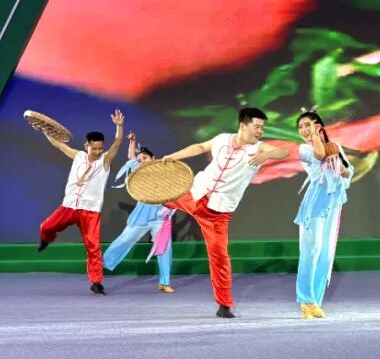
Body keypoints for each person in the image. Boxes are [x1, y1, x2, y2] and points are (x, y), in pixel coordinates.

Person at [162, 107, 289, 318]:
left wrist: (266, 155)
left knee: (219, 257)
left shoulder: (258, 148)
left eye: (262, 128)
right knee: (160, 196)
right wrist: (174, 156)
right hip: (195, 194)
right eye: (257, 126)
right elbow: (201, 146)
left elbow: (284, 152)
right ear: (243, 125)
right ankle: (155, 210)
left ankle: (224, 305)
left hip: (217, 213)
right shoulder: (222, 139)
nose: (260, 131)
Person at [37, 110, 125, 296]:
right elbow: (59, 144)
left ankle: (96, 282)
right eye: (94, 148)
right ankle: (46, 239)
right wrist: (45, 130)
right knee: (46, 227)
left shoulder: (105, 161)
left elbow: (117, 143)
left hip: (90, 211)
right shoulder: (78, 156)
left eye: (100, 148)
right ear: (86, 146)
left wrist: (119, 126)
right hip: (69, 206)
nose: (98, 151)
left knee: (93, 246)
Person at [293, 109, 353, 319]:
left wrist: (342, 168)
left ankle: (315, 301)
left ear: (319, 126)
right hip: (316, 201)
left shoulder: (335, 146)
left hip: (334, 201)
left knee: (326, 253)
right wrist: (315, 135)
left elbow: (348, 171)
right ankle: (306, 300)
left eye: (307, 125)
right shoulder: (303, 149)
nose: (303, 130)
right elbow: (319, 154)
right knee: (312, 250)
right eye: (300, 127)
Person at [102, 133, 175, 293]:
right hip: (142, 214)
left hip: (160, 217)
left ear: (153, 158)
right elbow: (132, 158)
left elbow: (175, 193)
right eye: (140, 159)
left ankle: (165, 282)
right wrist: (133, 142)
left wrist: (169, 208)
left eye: (145, 158)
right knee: (124, 239)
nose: (142, 161)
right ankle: (100, 264)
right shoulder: (139, 172)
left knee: (164, 248)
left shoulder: (165, 174)